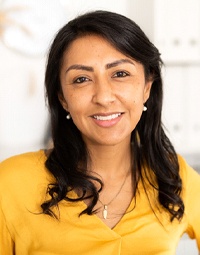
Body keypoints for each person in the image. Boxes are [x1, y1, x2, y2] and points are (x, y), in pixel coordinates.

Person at [0, 10, 200, 255]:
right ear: (62, 98)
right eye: (82, 79)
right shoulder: (9, 184)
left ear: (147, 87)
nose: (104, 97)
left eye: (120, 74)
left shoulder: (173, 176)